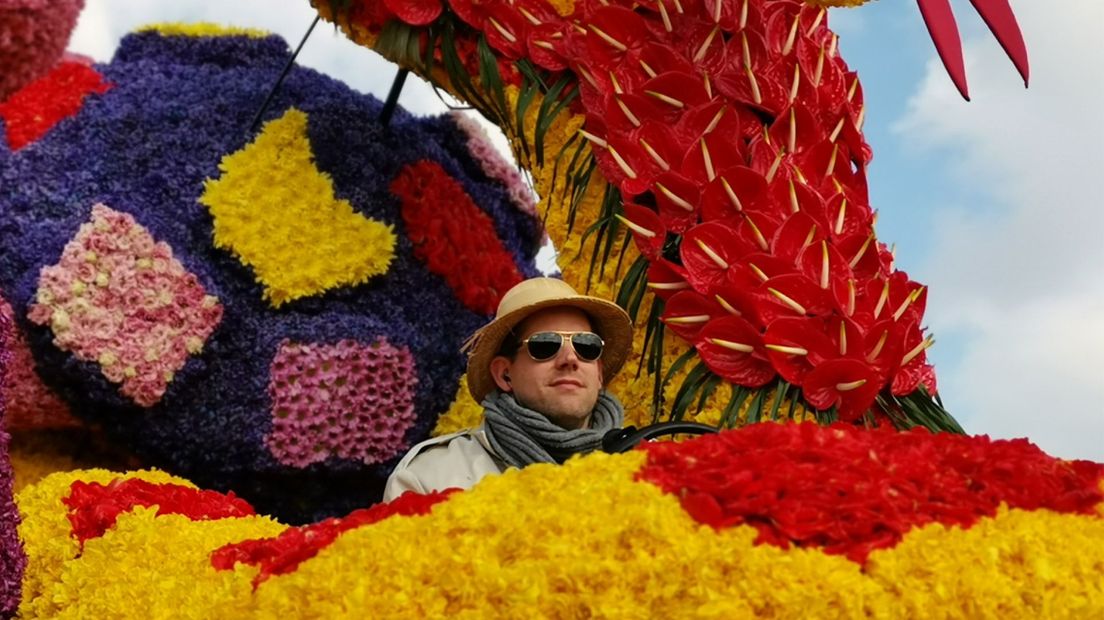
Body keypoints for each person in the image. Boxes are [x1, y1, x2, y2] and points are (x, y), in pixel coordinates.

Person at [383, 277, 632, 501]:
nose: (570, 359)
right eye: (545, 345)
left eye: (586, 346)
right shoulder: (430, 479)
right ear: (504, 374)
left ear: (598, 372)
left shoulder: (644, 466)